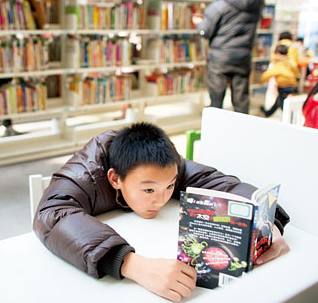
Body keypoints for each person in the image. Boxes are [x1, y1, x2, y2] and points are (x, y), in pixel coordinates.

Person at [33, 123, 290, 302]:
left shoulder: (166, 165)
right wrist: (131, 264)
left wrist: (265, 221)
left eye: (169, 186)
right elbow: (52, 213)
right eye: (148, 191)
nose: (161, 198)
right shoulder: (87, 172)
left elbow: (223, 184)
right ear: (114, 179)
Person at [192, 0, 264, 114]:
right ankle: (240, 134)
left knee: (216, 102)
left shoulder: (220, 4)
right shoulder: (256, 0)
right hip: (243, 57)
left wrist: (198, 23)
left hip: (220, 58)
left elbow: (205, 31)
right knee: (241, 101)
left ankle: (216, 134)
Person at [260, 44, 299, 117]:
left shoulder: (279, 64)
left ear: (278, 54)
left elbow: (268, 74)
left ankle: (289, 118)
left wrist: (260, 81)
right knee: (279, 101)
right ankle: (267, 113)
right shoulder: (291, 62)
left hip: (283, 86)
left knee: (282, 103)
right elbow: (296, 72)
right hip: (291, 86)